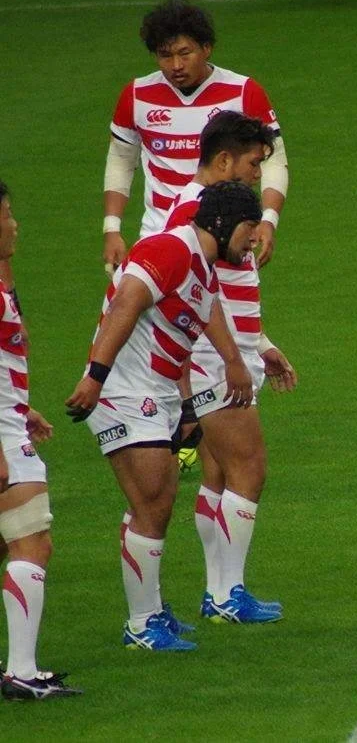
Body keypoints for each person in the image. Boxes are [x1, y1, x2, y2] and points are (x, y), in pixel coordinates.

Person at [66, 181, 260, 649]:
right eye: (250, 230)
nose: (253, 241)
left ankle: (151, 610)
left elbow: (204, 310)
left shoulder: (200, 264)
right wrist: (95, 376)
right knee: (151, 502)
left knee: (158, 501)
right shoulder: (171, 249)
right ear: (224, 222)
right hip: (126, 393)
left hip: (154, 394)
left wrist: (228, 366)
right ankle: (141, 624)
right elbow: (127, 303)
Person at [165, 112, 295, 625]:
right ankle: (227, 594)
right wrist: (228, 358)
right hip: (214, 362)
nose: (257, 174)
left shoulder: (220, 210)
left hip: (232, 356)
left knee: (218, 476)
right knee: (249, 469)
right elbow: (184, 293)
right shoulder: (189, 214)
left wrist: (260, 343)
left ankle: (218, 591)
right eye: (251, 163)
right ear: (223, 160)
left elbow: (224, 289)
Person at [102, 0, 288, 272]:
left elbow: (273, 159)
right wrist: (112, 228)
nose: (176, 65)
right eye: (165, 55)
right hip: (160, 239)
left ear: (207, 48)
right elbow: (120, 160)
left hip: (228, 241)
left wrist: (269, 219)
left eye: (184, 53)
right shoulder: (137, 96)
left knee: (233, 316)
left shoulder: (244, 93)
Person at [0, 181, 81, 700]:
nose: (15, 224)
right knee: (33, 541)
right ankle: (22, 672)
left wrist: (23, 407)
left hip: (10, 421)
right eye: (7, 215)